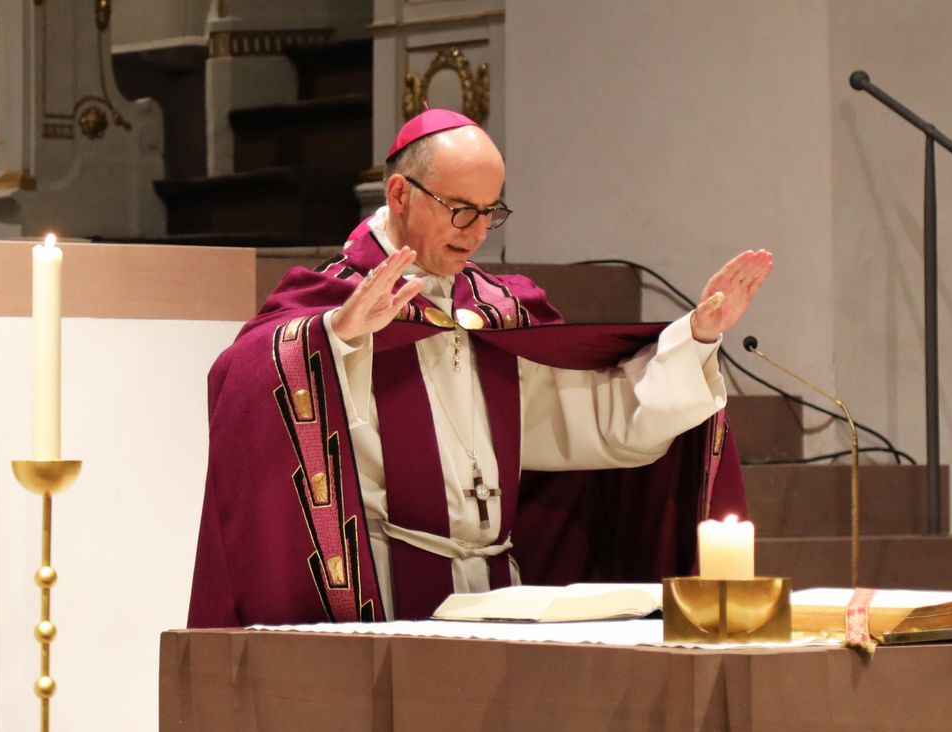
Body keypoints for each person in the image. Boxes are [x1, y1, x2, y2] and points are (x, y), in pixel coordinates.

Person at [188, 109, 772, 626]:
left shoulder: (499, 312)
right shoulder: (331, 303)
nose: (479, 232)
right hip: (389, 598)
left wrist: (694, 338)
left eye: (491, 212)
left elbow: (601, 422)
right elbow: (238, 382)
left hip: (499, 595)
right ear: (399, 195)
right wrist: (335, 338)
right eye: (461, 211)